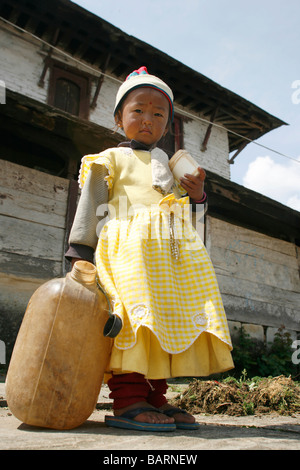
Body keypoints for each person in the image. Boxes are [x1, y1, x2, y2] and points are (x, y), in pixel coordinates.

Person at [65, 66, 234, 432]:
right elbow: (91, 204)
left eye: (159, 114)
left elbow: (191, 220)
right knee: (132, 321)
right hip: (128, 253)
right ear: (118, 118)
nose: (147, 119)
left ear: (168, 125)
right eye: (138, 110)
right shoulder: (108, 159)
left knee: (164, 322)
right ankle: (127, 399)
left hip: (168, 258)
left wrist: (196, 195)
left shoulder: (171, 168)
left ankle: (156, 397)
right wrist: (79, 255)